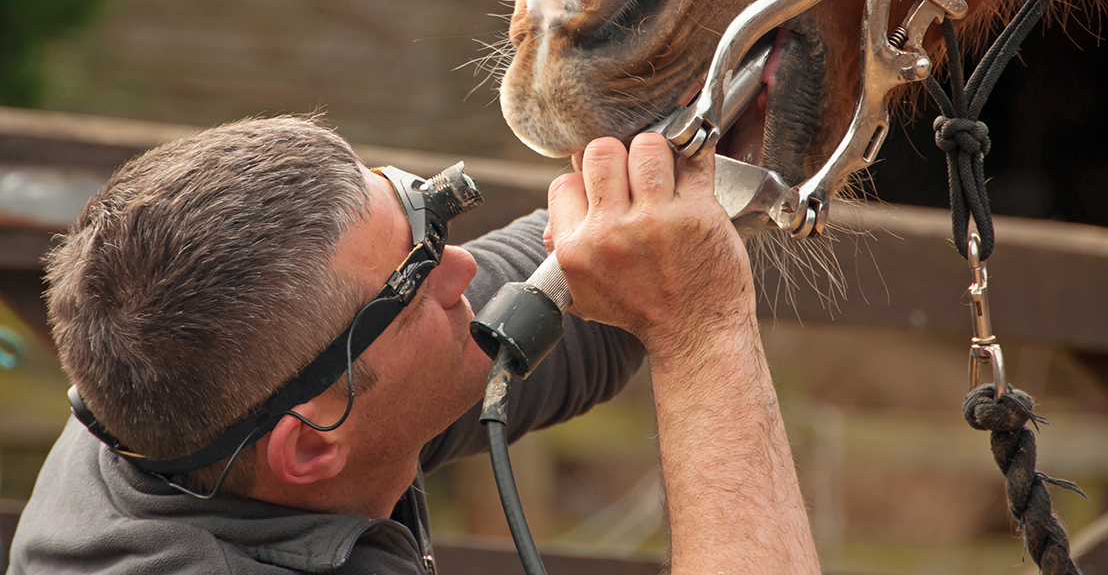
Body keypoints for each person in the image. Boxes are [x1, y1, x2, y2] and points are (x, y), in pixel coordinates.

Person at [7, 115, 818, 574]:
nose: (464, 265)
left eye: (427, 224)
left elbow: (592, 297)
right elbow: (676, 309)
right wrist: (705, 331)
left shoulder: (183, 409)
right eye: (414, 280)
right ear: (313, 437)